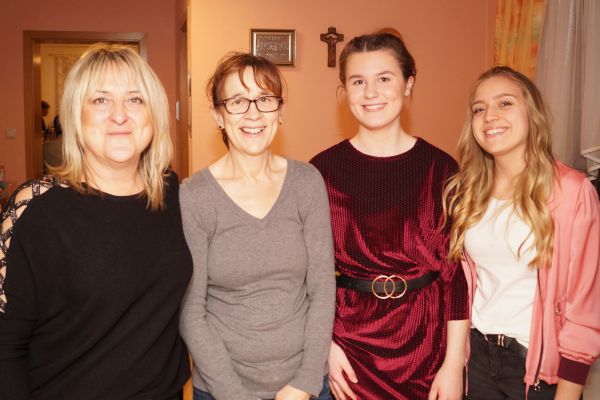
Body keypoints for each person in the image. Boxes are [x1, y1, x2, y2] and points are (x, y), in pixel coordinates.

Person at [0, 44, 192, 400]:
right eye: (100, 100)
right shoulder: (36, 208)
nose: (119, 115)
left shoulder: (175, 195)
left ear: (154, 115)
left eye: (135, 99)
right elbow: (5, 345)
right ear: (76, 115)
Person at [310, 32, 469, 400]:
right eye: (358, 81)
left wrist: (453, 365)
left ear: (408, 83)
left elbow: (456, 275)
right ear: (344, 91)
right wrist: (325, 347)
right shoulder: (320, 171)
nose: (371, 93)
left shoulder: (442, 170)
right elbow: (309, 275)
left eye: (384, 78)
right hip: (348, 350)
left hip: (426, 348)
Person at [179, 52, 335, 400]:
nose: (253, 113)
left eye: (264, 99)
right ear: (218, 115)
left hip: (306, 387)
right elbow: (191, 311)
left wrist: (306, 381)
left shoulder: (307, 182)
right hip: (222, 390)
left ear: (280, 110)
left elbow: (323, 288)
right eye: (237, 101)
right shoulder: (194, 196)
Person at [444, 66, 600, 399]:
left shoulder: (571, 191)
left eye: (505, 103)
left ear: (532, 112)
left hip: (536, 368)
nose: (490, 116)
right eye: (479, 109)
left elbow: (585, 307)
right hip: (476, 360)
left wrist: (569, 393)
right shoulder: (466, 192)